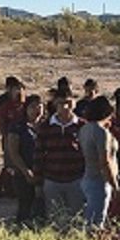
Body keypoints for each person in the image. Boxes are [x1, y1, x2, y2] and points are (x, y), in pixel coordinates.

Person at [33, 88, 85, 216]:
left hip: (76, 179)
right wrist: (38, 183)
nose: (66, 107)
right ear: (55, 104)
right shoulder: (46, 127)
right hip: (52, 180)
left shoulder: (82, 126)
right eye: (61, 103)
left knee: (76, 218)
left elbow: (88, 154)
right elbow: (38, 156)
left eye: (69, 102)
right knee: (55, 218)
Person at [79, 96, 119, 228]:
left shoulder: (84, 129)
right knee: (96, 223)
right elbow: (105, 161)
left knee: (89, 219)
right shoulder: (101, 132)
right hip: (99, 180)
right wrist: (114, 184)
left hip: (87, 177)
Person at [7, 95, 44, 223]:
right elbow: (13, 152)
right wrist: (26, 171)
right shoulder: (18, 126)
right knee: (25, 206)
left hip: (45, 172)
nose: (37, 110)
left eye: (40, 106)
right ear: (26, 108)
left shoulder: (47, 125)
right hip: (23, 173)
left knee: (42, 208)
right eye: (33, 106)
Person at [0, 78, 26, 163]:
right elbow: (0, 119)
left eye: (20, 88)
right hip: (9, 134)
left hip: (24, 135)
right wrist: (5, 134)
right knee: (10, 159)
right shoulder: (3, 102)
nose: (19, 91)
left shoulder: (25, 102)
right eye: (16, 88)